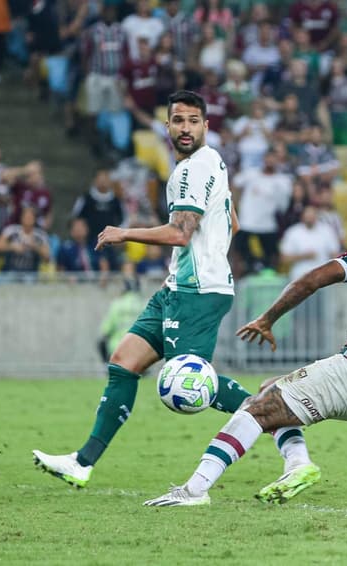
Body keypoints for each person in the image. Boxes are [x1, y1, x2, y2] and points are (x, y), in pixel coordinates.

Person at [31, 91, 305, 488]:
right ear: (168, 126)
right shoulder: (214, 162)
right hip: (178, 285)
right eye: (179, 120)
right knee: (124, 361)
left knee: (194, 383)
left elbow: (180, 233)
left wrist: (125, 232)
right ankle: (82, 462)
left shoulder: (194, 169)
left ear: (207, 126)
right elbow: (234, 223)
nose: (186, 128)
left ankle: (285, 430)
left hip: (197, 290)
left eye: (194, 120)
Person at [142, 194, 347, 507]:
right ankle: (297, 464)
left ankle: (193, 491)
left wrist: (267, 319)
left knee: (255, 410)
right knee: (269, 389)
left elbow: (312, 279)